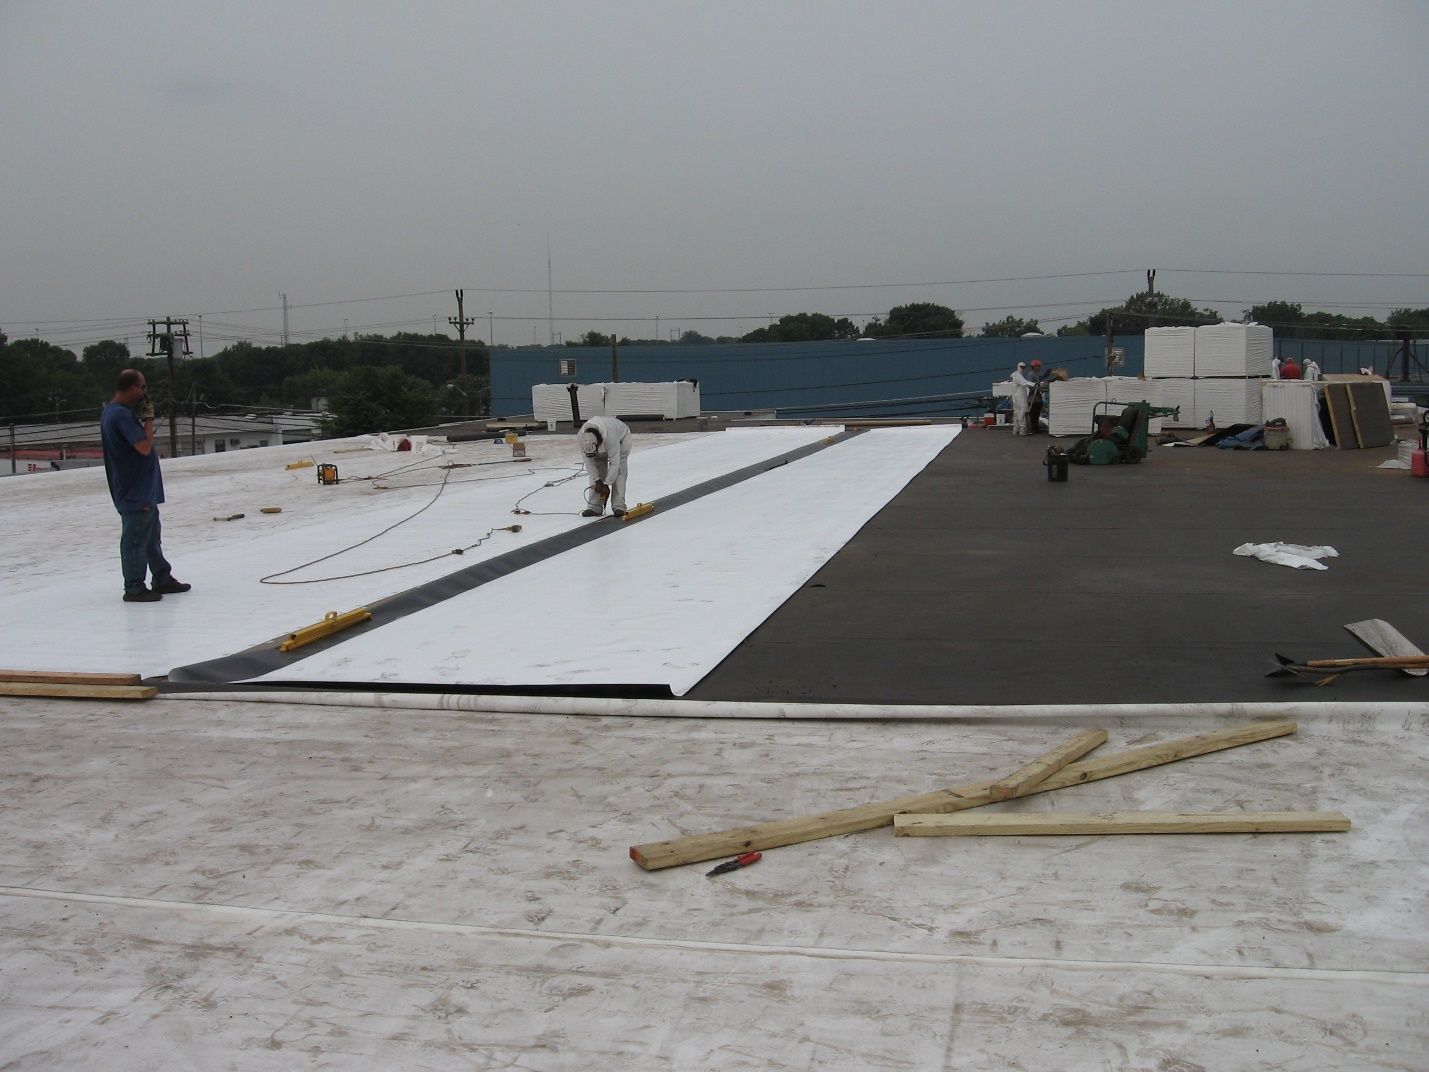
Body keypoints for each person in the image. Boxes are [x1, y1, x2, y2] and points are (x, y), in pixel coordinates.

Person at [100, 369, 190, 603]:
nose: (144, 393)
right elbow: (143, 447)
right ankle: (134, 587)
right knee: (135, 540)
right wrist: (148, 419)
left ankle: (161, 577)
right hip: (135, 491)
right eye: (142, 387)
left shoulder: (112, 412)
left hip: (140, 489)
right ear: (131, 388)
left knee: (150, 538)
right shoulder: (120, 415)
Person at [576, 415, 632, 517]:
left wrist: (606, 485)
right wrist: (597, 481)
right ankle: (594, 507)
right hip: (603, 443)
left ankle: (619, 506)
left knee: (619, 469)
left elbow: (614, 463)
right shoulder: (581, 438)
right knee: (597, 466)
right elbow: (589, 463)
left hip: (622, 439)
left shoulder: (611, 436)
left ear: (599, 442)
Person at [1010, 362, 1035, 436]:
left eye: (1024, 367)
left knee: (1017, 413)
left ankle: (1016, 429)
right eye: (1021, 367)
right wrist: (1034, 384)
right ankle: (1022, 430)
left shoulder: (1018, 375)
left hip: (1018, 397)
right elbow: (1024, 383)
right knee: (1021, 413)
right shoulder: (1017, 375)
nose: (1022, 368)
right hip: (1019, 398)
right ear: (1018, 367)